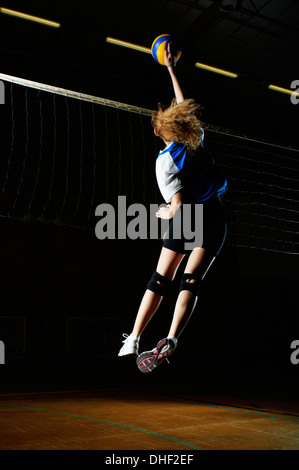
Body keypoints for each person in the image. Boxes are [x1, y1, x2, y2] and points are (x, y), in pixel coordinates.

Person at [118, 43, 228, 373]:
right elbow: (184, 108)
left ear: (156, 131)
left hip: (189, 218)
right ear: (185, 126)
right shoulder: (198, 138)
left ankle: (134, 338)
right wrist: (171, 68)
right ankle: (172, 337)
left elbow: (177, 205)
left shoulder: (164, 162)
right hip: (215, 217)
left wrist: (166, 213)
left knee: (159, 279)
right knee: (191, 282)